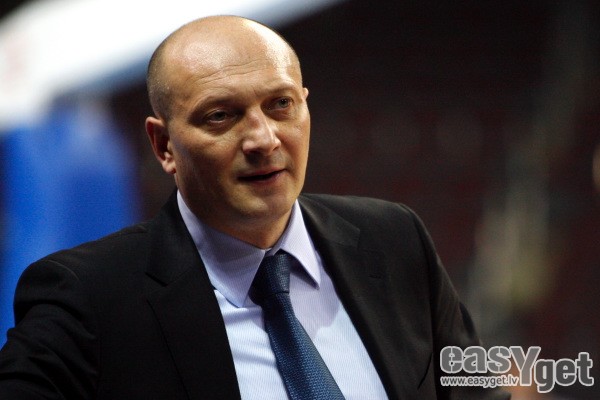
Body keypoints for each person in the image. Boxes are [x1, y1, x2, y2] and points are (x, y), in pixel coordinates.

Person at [0, 15, 509, 399]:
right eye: (221, 116)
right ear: (163, 146)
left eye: (281, 104)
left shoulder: (395, 239)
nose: (264, 139)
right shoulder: (87, 297)